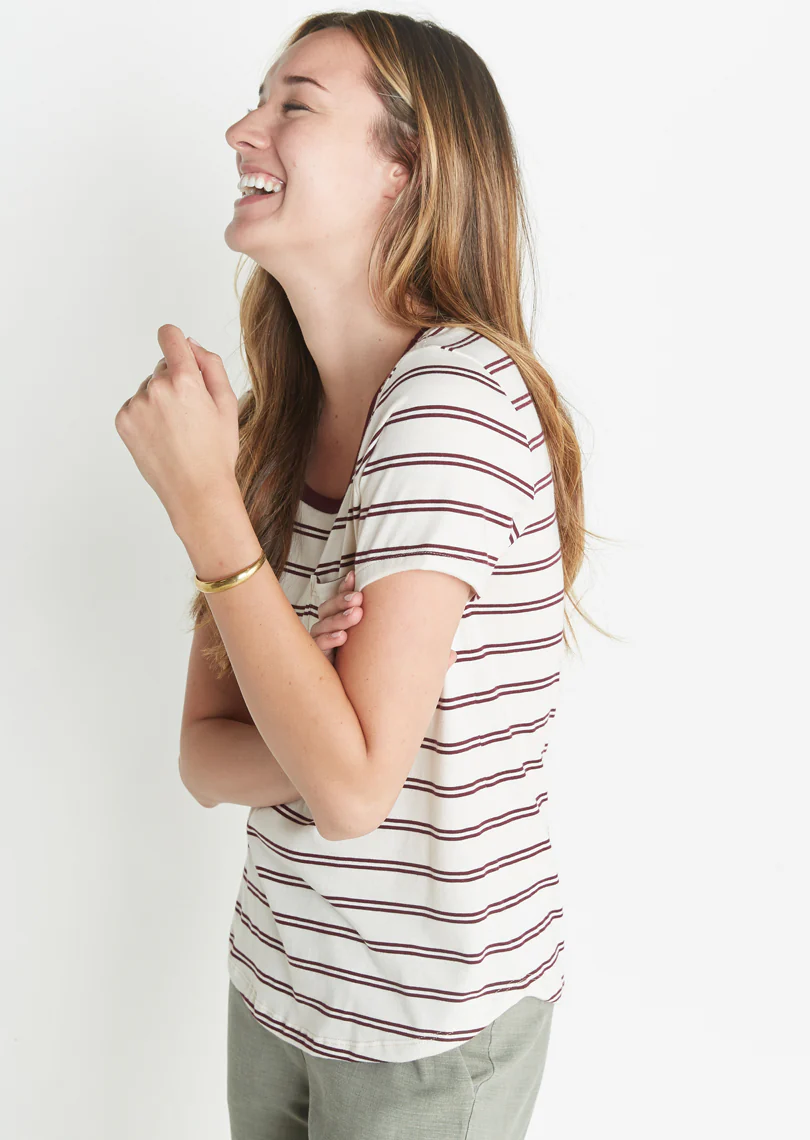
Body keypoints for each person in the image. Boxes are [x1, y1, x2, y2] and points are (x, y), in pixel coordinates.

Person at [182, 10, 599, 1138]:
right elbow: (202, 757)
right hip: (279, 980)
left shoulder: (452, 399)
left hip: (424, 1027)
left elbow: (353, 794)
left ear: (405, 171)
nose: (242, 127)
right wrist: (306, 709)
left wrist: (200, 507)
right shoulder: (275, 425)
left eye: (293, 105)